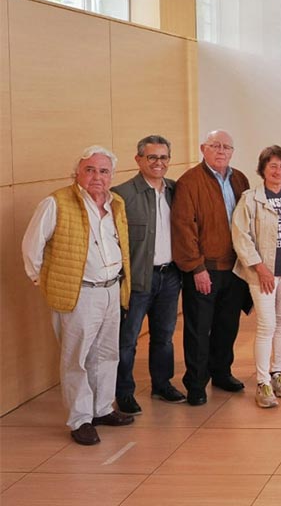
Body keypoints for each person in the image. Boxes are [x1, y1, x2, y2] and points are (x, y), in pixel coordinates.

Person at [22, 145, 135, 445]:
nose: (97, 177)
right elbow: (31, 246)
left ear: (111, 176)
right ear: (77, 173)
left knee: (108, 355)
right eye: (90, 170)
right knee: (77, 359)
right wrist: (40, 278)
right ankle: (80, 419)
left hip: (112, 289)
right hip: (79, 293)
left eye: (103, 171)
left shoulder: (116, 204)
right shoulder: (56, 202)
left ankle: (101, 409)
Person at [172, 130, 251, 406]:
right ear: (203, 149)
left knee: (227, 326)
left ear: (232, 151)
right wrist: (196, 268)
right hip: (205, 269)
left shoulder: (240, 178)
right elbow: (183, 228)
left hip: (236, 267)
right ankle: (195, 383)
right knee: (198, 328)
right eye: (215, 146)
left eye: (226, 147)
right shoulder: (189, 182)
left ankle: (222, 372)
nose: (221, 151)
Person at [111, 135, 186, 415]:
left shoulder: (175, 190)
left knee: (164, 336)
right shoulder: (121, 195)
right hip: (137, 280)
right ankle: (124, 392)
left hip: (170, 277)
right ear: (138, 159)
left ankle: (161, 384)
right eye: (152, 157)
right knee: (127, 340)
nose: (158, 163)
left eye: (164, 157)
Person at [232, 145, 281, 408]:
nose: (278, 170)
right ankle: (262, 382)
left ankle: (277, 373)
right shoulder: (250, 199)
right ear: (262, 169)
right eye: (272, 166)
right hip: (263, 274)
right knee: (267, 325)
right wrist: (260, 268)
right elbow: (241, 237)